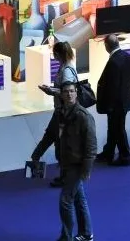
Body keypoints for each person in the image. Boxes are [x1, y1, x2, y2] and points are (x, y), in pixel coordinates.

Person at [32, 41, 78, 187]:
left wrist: (51, 91)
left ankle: (63, 176)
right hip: (61, 112)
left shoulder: (66, 71)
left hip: (63, 113)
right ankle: (35, 160)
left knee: (58, 142)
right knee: (51, 137)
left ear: (58, 54)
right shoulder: (66, 67)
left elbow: (68, 92)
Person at [56, 81, 97, 241]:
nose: (69, 94)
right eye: (66, 91)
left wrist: (86, 170)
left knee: (65, 200)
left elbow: (91, 146)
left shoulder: (84, 116)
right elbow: (52, 133)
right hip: (67, 163)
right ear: (61, 94)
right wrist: (37, 154)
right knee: (79, 199)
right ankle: (86, 234)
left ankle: (66, 237)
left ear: (76, 93)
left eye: (72, 91)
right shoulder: (61, 113)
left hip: (77, 165)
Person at [95, 34, 130, 166]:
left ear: (107, 46)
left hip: (116, 103)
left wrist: (109, 105)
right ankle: (108, 152)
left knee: (118, 129)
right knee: (113, 128)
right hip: (124, 100)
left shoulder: (113, 62)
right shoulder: (126, 56)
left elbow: (112, 86)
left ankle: (125, 156)